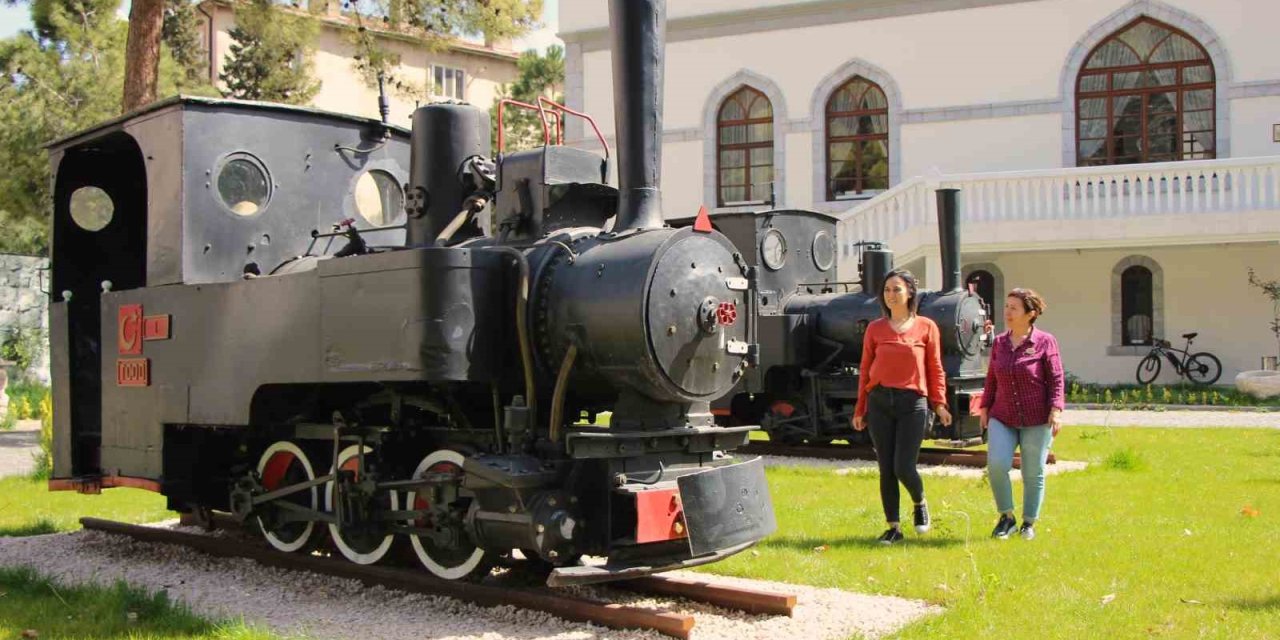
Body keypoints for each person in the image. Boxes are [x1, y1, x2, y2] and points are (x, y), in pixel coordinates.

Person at [853, 269, 952, 544]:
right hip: (880, 401)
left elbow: (935, 368)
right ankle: (893, 527)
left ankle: (920, 502)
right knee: (886, 467)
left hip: (913, 403)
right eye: (886, 290)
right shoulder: (875, 329)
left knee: (904, 466)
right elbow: (864, 370)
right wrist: (860, 408)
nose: (891, 295)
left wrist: (940, 403)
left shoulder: (926, 326)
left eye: (896, 289)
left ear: (910, 292)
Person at [977, 288, 1064, 541]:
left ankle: (1028, 522)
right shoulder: (1000, 342)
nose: (1008, 312)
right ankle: (1007, 517)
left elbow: (1056, 378)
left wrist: (1056, 410)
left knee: (1032, 471)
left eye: (1014, 308)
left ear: (1031, 314)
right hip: (1002, 416)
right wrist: (984, 407)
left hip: (1037, 418)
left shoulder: (1046, 341)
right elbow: (992, 377)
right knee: (996, 465)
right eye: (1007, 306)